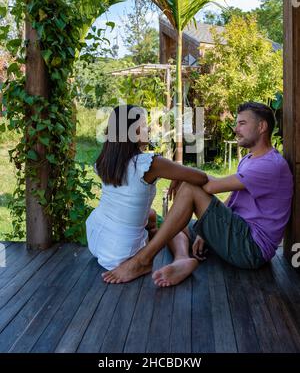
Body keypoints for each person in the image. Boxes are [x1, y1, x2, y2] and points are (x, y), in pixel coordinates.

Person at [102, 102, 294, 286]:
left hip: (251, 248)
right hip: (238, 232)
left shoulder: (270, 165)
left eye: (242, 123)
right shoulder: (250, 159)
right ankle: (182, 260)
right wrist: (207, 230)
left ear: (262, 126)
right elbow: (231, 199)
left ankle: (142, 260)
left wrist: (182, 174)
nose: (236, 129)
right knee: (176, 223)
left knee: (190, 188)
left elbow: (210, 186)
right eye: (237, 123)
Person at [86, 105, 208, 271]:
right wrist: (179, 176)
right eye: (143, 125)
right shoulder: (148, 163)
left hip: (96, 239)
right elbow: (201, 177)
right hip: (123, 251)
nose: (149, 128)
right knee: (170, 224)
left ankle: (174, 254)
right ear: (132, 132)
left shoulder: (105, 161)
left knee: (151, 215)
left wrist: (177, 176)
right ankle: (151, 261)